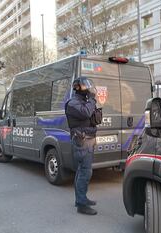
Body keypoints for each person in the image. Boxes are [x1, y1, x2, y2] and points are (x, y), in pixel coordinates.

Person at [65, 76, 98, 215]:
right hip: (81, 140)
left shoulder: (83, 101)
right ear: (77, 88)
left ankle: (81, 198)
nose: (88, 88)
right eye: (85, 86)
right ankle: (81, 204)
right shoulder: (73, 103)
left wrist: (91, 100)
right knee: (85, 171)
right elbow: (86, 113)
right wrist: (92, 99)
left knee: (82, 170)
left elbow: (91, 115)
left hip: (88, 138)